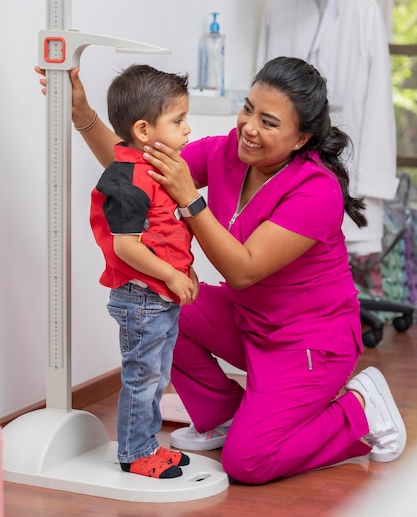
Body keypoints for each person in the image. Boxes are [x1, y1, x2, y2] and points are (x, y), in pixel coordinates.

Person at [36, 56, 407, 485]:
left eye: (268, 122)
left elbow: (244, 270)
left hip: (308, 342)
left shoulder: (316, 189)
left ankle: (359, 409)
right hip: (249, 321)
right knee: (157, 306)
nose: (249, 127)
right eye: (248, 108)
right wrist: (83, 116)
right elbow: (135, 170)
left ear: (301, 136)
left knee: (248, 463)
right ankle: (224, 416)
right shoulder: (226, 151)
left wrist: (191, 200)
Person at [87, 64, 198, 479]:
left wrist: (186, 272)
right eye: (179, 120)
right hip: (143, 298)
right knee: (143, 377)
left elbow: (170, 234)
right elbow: (125, 246)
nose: (187, 129)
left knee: (157, 375)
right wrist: (171, 276)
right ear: (143, 130)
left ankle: (147, 444)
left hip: (161, 297)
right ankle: (135, 453)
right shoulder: (129, 179)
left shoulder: (160, 170)